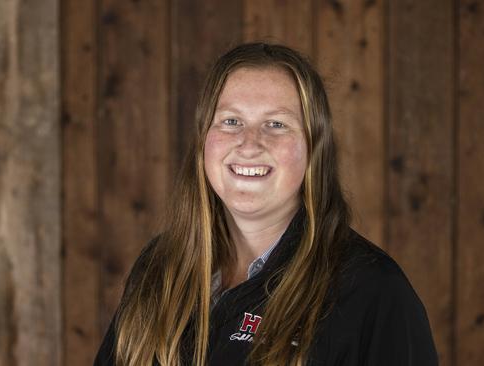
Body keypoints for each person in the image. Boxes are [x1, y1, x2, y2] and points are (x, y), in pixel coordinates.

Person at [94, 43, 438, 365]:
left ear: (314, 149)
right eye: (231, 121)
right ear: (203, 141)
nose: (249, 143)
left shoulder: (372, 290)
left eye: (276, 124)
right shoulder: (160, 267)